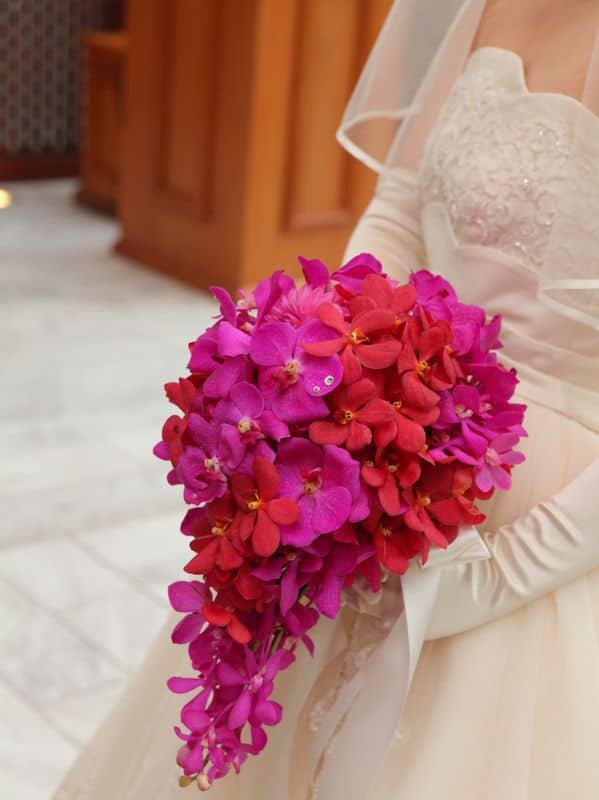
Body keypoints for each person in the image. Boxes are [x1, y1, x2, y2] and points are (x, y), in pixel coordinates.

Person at [55, 1, 599, 797]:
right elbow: (399, 206)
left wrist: (506, 571)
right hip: (380, 471)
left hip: (544, 530)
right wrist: (328, 358)